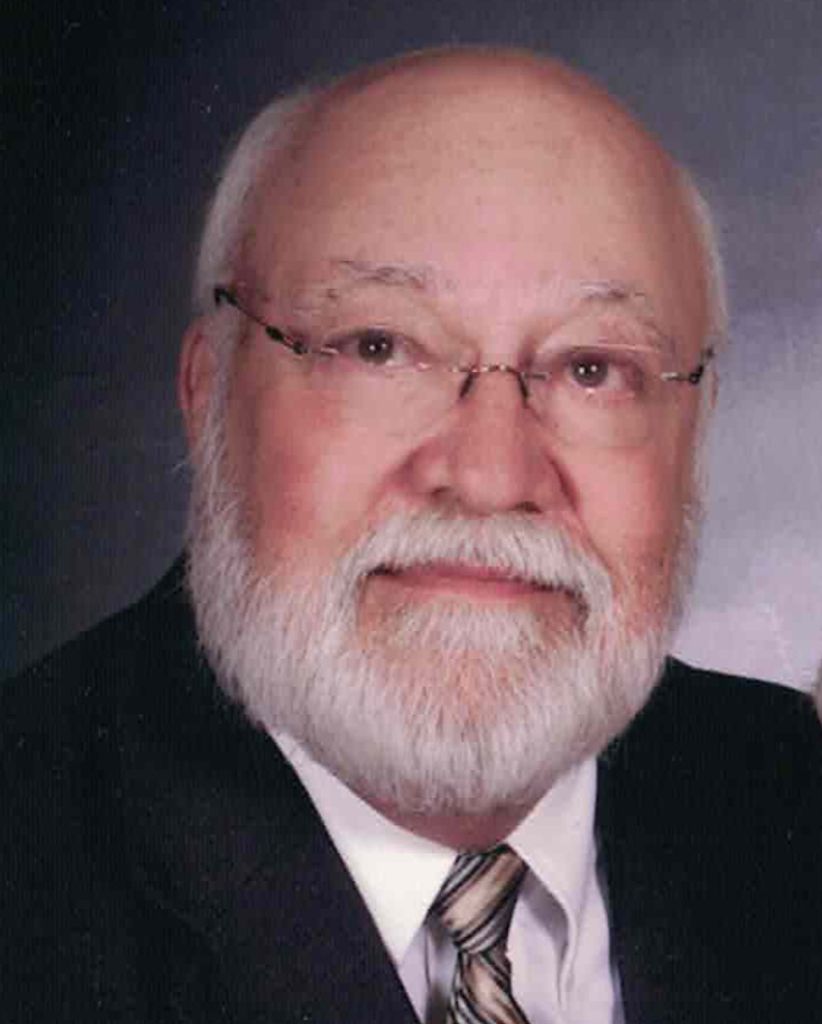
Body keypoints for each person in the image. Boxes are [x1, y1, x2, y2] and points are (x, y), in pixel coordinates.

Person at [2, 46, 821, 1024]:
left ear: (696, 429)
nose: (489, 477)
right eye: (379, 347)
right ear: (207, 393)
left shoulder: (792, 795)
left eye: (593, 369)